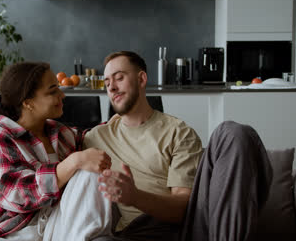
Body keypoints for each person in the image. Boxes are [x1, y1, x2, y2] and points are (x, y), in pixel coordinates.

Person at [83, 51, 273, 241]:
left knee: (233, 132)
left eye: (119, 78)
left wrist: (135, 196)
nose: (112, 88)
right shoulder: (96, 137)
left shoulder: (178, 132)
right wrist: (75, 159)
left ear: (141, 79)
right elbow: (55, 140)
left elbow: (182, 208)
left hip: (187, 229)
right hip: (138, 232)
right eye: (107, 83)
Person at [0, 62, 114, 241]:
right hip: (16, 233)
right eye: (53, 90)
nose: (62, 95)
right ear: (28, 103)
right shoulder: (2, 137)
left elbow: (93, 136)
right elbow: (22, 193)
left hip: (56, 228)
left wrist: (121, 121)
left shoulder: (59, 132)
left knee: (90, 172)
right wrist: (73, 162)